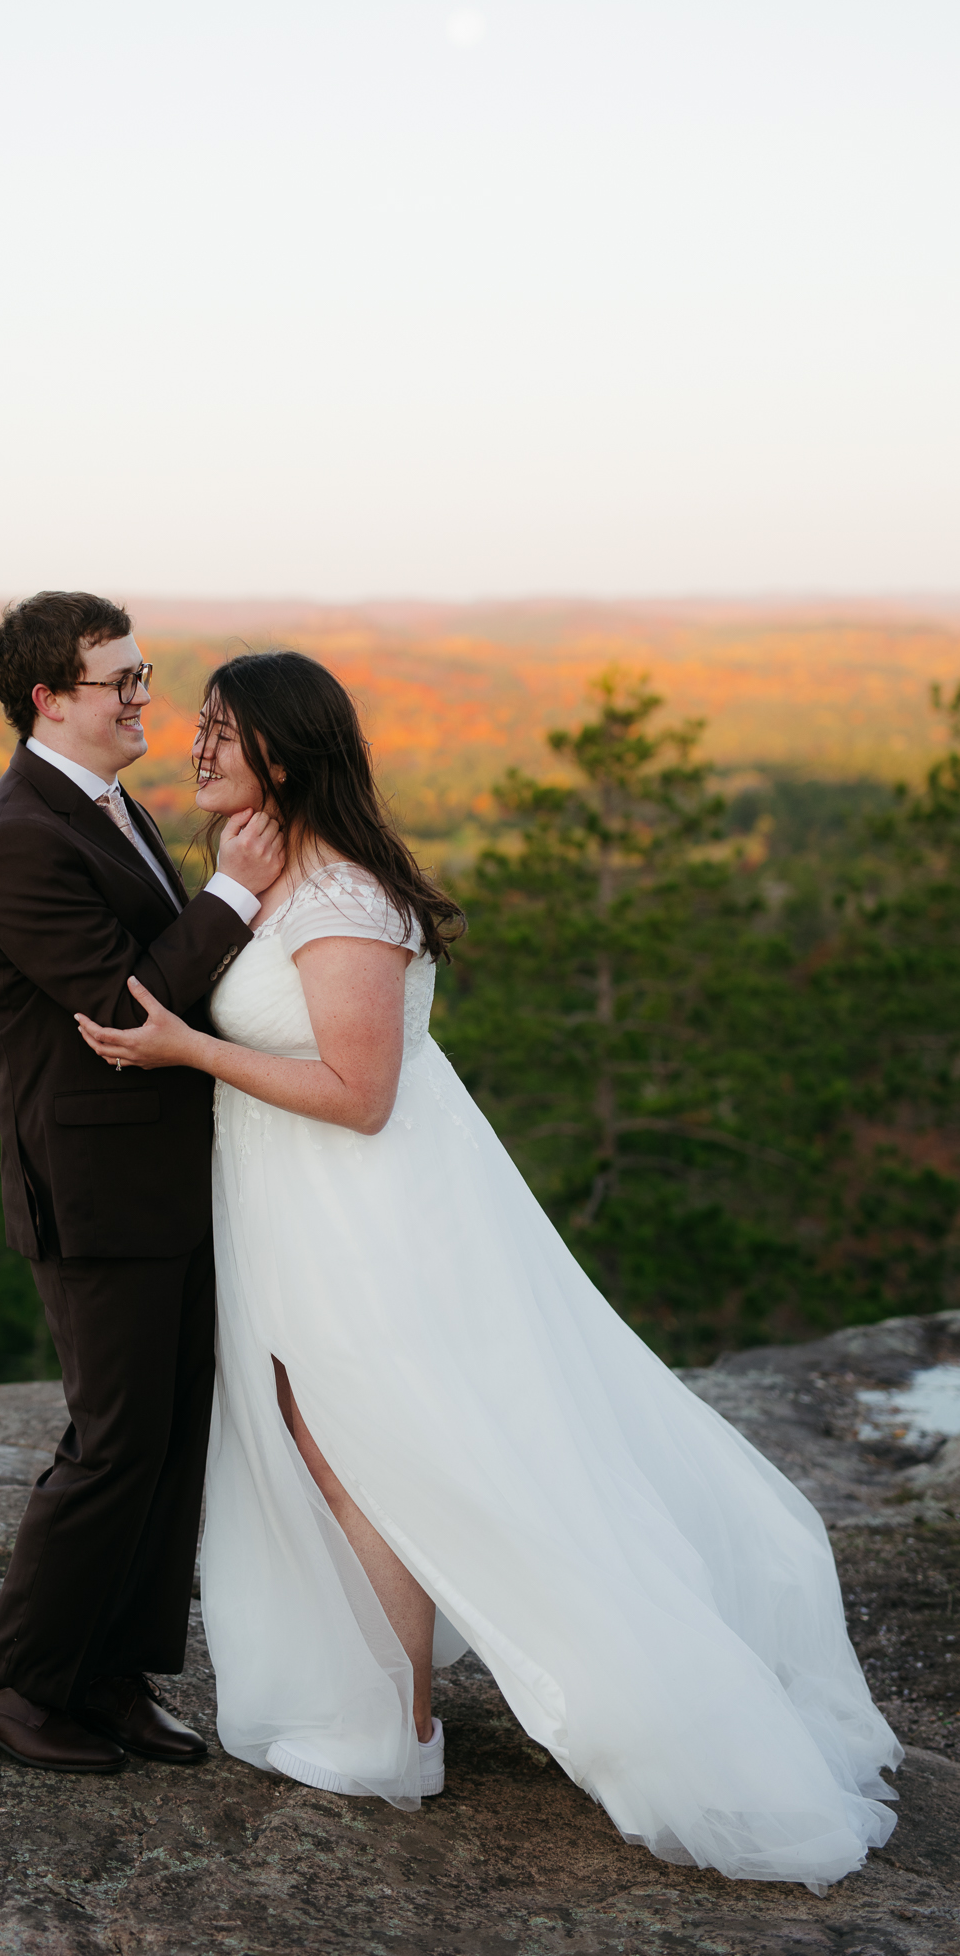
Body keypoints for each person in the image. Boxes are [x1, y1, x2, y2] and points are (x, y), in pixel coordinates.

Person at [74, 648, 902, 1891]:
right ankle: (387, 1709)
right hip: (300, 1211)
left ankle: (398, 1725)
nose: (196, 747)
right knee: (333, 1449)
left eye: (225, 735)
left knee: (382, 1456)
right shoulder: (266, 872)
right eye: (199, 726)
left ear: (286, 758)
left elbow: (359, 1096)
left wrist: (190, 1047)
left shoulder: (344, 898)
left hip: (366, 1216)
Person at [0, 593, 283, 1774]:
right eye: (120, 682)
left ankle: (109, 1674)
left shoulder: (102, 800)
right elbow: (119, 1005)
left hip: (167, 1177)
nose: (146, 700)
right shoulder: (19, 835)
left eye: (145, 676)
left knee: (170, 1433)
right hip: (92, 1189)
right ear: (48, 699)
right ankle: (4, 1683)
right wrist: (232, 897)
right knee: (113, 1440)